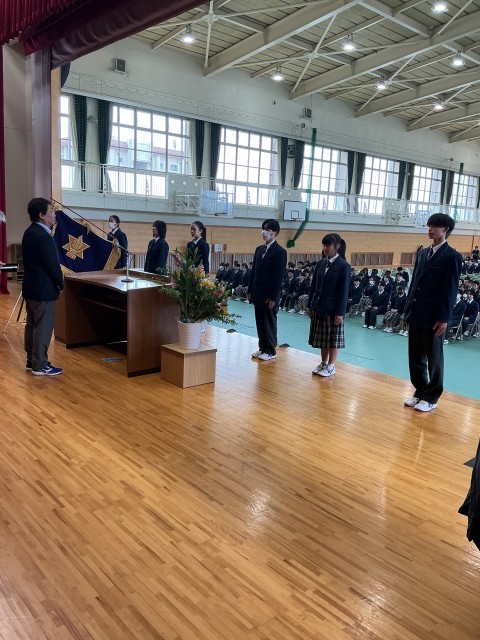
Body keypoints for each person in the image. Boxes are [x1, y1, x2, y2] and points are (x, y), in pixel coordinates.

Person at [403, 213, 462, 412]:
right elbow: (414, 284)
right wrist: (407, 311)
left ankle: (432, 397)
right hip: (416, 313)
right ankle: (420, 391)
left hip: (434, 317)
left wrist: (444, 317)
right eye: (428, 226)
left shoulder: (452, 256)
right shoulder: (422, 253)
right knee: (415, 358)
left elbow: (450, 290)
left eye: (434, 226)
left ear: (445, 229)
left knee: (434, 360)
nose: (430, 229)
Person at [22, 198, 64, 376]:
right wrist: (61, 284)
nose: (54, 215)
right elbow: (52, 265)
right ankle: (40, 365)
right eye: (51, 211)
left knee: (32, 325)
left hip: (31, 287)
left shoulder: (29, 231)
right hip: (44, 289)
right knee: (43, 327)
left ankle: (31, 361)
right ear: (41, 215)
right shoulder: (43, 236)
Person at [307, 233, 350, 378]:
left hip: (333, 309)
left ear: (337, 246)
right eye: (324, 245)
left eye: (328, 245)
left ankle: (331, 366)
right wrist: (310, 305)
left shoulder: (344, 266)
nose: (325, 248)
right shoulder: (321, 263)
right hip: (319, 307)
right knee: (323, 339)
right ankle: (324, 363)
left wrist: (340, 313)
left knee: (333, 340)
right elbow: (314, 286)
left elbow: (344, 291)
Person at [248, 219, 287, 361]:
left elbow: (278, 276)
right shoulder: (259, 249)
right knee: (259, 321)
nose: (264, 232)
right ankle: (262, 347)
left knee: (269, 322)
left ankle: (271, 350)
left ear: (275, 232)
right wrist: (250, 290)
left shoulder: (280, 252)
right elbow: (254, 271)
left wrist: (273, 297)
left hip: (269, 295)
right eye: (263, 228)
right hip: (257, 292)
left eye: (268, 229)